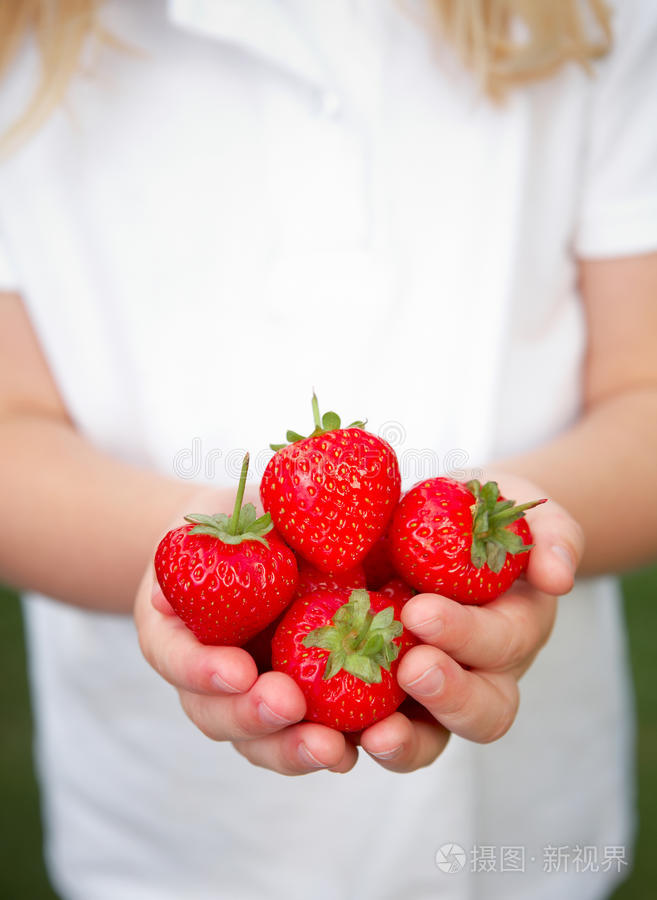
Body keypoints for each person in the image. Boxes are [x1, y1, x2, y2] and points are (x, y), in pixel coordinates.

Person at [1, 1, 656, 898]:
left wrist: (515, 543)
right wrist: (194, 558)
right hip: (172, 836)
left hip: (517, 828)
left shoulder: (594, 17)